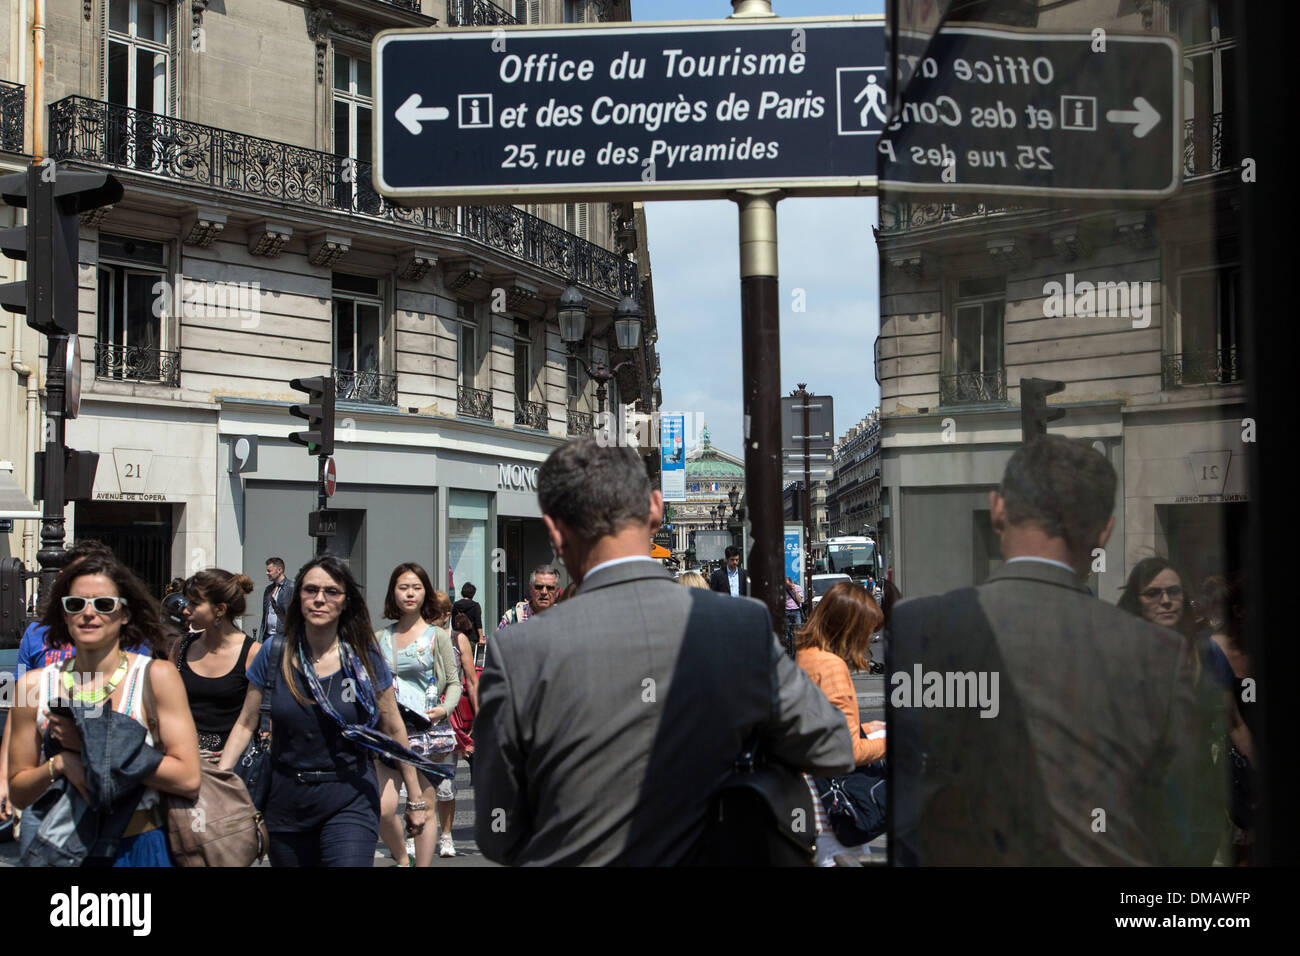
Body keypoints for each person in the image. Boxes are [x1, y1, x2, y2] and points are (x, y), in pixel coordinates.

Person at [474, 436, 853, 865]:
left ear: (556, 533)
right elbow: (830, 747)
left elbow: (496, 832)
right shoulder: (739, 627)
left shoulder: (517, 651)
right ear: (656, 509)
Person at [890, 435, 1218, 865]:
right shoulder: (1158, 654)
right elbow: (1186, 819)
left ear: (998, 509)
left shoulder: (921, 627)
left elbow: (909, 808)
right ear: (1105, 531)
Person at [218, 555, 429, 867]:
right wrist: (221, 782)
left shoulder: (363, 657)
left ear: (345, 602)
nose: (319, 599)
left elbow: (394, 727)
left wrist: (415, 797)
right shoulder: (274, 653)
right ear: (298, 596)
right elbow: (245, 724)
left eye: (331, 592)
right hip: (286, 800)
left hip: (350, 796)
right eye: (310, 590)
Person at [6, 555, 202, 866]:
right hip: (62, 845)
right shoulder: (34, 686)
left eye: (104, 604)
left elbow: (188, 777)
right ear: (64, 614)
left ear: (124, 613)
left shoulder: (156, 677)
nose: (88, 614)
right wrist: (59, 764)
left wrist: (88, 746)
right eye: (75, 605)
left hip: (138, 845)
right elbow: (18, 791)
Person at [371, 566, 461, 866]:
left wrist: (444, 709)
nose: (409, 593)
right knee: (385, 809)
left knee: (423, 806)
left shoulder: (437, 636)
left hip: (426, 731)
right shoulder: (380, 636)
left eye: (416, 587)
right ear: (392, 593)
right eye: (402, 587)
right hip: (388, 733)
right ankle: (401, 859)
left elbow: (454, 682)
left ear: (425, 593)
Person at [794, 580, 888, 866]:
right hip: (830, 808)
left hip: (808, 793)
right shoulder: (833, 667)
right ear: (850, 629)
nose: (869, 641)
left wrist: (867, 729)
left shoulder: (807, 656)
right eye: (867, 633)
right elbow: (849, 752)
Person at [172, 569, 262, 761]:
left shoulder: (254, 654)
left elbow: (248, 721)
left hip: (231, 764)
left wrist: (224, 771)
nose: (186, 609)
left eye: (195, 603)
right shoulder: (182, 646)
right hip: (181, 759)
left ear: (219, 609)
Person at [497, 564, 560, 629]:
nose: (544, 592)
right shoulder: (512, 618)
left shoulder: (566, 618)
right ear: (530, 589)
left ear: (557, 592)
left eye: (550, 588)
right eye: (538, 587)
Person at [260, 557, 293, 641]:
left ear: (279, 570)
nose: (266, 573)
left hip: (283, 638)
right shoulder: (268, 590)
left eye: (269, 571)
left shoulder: (291, 588)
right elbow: (264, 617)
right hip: (267, 637)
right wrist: (260, 639)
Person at [782, 575, 804, 652]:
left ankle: (798, 649)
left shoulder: (798, 588)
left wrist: (795, 591)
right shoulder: (783, 589)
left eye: (788, 585)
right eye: (786, 585)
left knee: (798, 630)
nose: (788, 587)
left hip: (796, 611)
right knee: (786, 631)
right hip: (786, 611)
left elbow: (799, 600)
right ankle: (788, 649)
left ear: (791, 583)